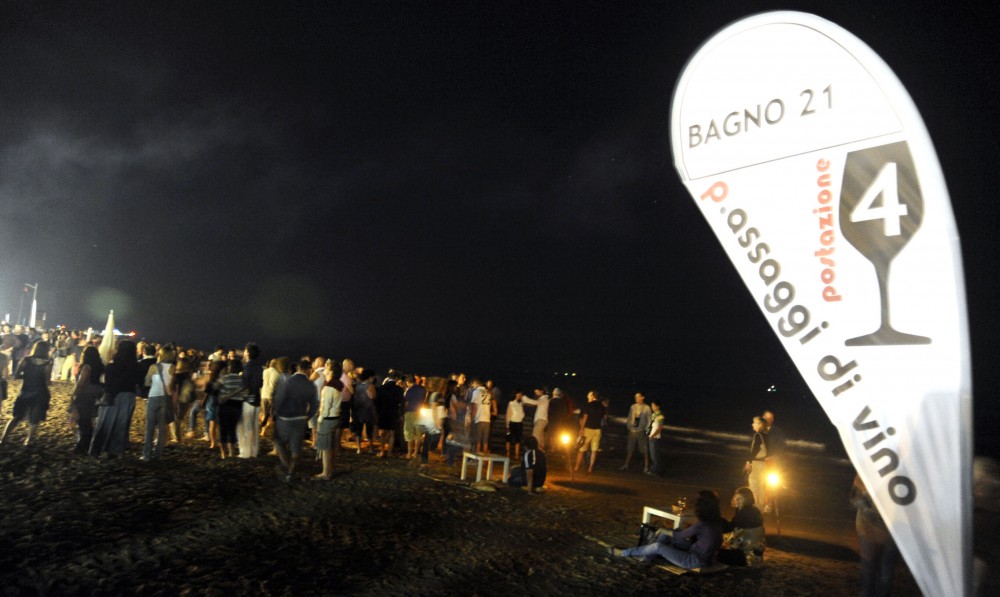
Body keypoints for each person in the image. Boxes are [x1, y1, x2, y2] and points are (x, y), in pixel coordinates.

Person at [610, 489, 724, 569]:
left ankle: (625, 553)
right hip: (698, 553)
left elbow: (679, 536)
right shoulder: (715, 520)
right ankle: (646, 557)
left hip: (696, 560)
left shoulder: (703, 524)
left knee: (658, 546)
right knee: (666, 535)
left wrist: (663, 530)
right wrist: (667, 531)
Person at [90, 340, 142, 457]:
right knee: (122, 424)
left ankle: (100, 448)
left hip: (113, 396)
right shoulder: (136, 366)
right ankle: (117, 450)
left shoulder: (114, 364)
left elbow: (107, 380)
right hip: (129, 397)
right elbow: (139, 381)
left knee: (106, 422)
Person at [851, 475, 899, 597]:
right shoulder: (867, 470)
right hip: (868, 526)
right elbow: (854, 499)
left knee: (885, 571)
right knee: (869, 568)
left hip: (892, 529)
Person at [272, 359, 319, 482]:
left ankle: (287, 468)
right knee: (296, 447)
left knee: (279, 443)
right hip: (300, 418)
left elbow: (279, 398)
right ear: (309, 370)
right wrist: (307, 416)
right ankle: (291, 471)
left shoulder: (288, 382)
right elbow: (314, 405)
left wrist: (276, 411)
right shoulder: (310, 385)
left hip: (285, 417)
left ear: (298, 368)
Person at [0, 340, 52, 446]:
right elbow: (47, 381)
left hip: (25, 391)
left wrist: (26, 376)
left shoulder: (26, 360)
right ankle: (28, 440)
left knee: (17, 416)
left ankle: (4, 438)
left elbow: (15, 376)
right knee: (34, 419)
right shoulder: (47, 363)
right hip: (40, 392)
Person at [141, 345, 176, 462]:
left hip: (154, 396)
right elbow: (171, 385)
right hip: (165, 398)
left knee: (150, 426)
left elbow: (146, 382)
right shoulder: (173, 368)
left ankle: (146, 454)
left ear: (160, 354)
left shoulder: (154, 367)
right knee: (162, 428)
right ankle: (158, 455)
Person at [716, 486, 766, 566]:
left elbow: (728, 527)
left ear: (747, 499)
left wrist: (715, 517)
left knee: (715, 554)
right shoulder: (753, 510)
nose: (737, 501)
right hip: (756, 556)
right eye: (736, 498)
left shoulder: (746, 513)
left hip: (747, 558)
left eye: (740, 498)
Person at [314, 361, 344, 480]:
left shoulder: (329, 387)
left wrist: (320, 420)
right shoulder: (338, 385)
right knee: (330, 446)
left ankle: (326, 473)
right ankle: (330, 469)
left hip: (327, 418)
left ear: (331, 372)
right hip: (335, 417)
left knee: (325, 447)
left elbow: (325, 408)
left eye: (326, 367)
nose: (324, 369)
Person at [238, 343, 264, 458]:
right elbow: (261, 383)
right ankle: (254, 451)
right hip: (256, 399)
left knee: (246, 427)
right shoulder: (259, 367)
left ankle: (245, 452)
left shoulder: (247, 367)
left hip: (247, 400)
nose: (243, 353)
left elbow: (244, 385)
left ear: (248, 353)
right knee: (254, 427)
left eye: (244, 351)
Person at [762, 409, 786, 513]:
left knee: (770, 483)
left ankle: (769, 503)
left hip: (772, 462)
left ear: (772, 419)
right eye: (765, 417)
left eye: (769, 418)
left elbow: (781, 447)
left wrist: (772, 457)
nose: (767, 420)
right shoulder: (758, 430)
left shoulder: (777, 431)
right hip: (759, 461)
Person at [375, 371, 404, 458]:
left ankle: (382, 451)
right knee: (392, 433)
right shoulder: (399, 389)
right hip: (393, 412)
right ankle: (389, 452)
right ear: (396, 379)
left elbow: (377, 401)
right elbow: (401, 402)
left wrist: (378, 412)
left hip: (383, 412)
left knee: (383, 433)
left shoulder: (382, 388)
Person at [621, 392, 652, 472]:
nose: (636, 398)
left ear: (642, 397)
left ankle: (646, 466)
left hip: (641, 431)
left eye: (638, 397)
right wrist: (629, 426)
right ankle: (626, 464)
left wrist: (646, 429)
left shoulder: (647, 407)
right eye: (636, 397)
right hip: (632, 431)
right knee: (630, 448)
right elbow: (629, 417)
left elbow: (649, 420)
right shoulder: (633, 406)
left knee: (644, 449)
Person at [575, 390, 606, 473]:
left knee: (582, 449)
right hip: (597, 430)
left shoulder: (589, 405)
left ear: (593, 396)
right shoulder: (602, 407)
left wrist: (581, 429)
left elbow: (585, 417)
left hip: (588, 429)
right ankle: (590, 468)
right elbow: (602, 418)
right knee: (594, 450)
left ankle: (577, 467)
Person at [744, 416, 769, 505]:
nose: (752, 424)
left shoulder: (757, 435)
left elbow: (754, 450)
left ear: (760, 424)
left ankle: (754, 508)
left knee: (754, 487)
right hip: (764, 464)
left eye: (754, 422)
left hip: (756, 464)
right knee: (761, 488)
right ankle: (760, 509)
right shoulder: (766, 436)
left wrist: (748, 462)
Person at [402, 375, 426, 460]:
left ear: (408, 382)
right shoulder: (422, 389)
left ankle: (409, 453)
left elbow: (406, 401)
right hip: (419, 412)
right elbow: (423, 399)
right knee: (419, 433)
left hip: (410, 412)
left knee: (409, 433)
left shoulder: (409, 390)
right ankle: (416, 453)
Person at [469, 379, 492, 454]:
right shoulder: (488, 392)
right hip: (487, 419)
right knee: (485, 441)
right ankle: (485, 459)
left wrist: (472, 419)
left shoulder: (476, 392)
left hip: (479, 418)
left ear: (476, 383)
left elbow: (474, 407)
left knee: (478, 440)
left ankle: (477, 458)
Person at [647, 398, 667, 476]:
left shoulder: (660, 416)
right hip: (652, 438)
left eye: (653, 406)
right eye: (651, 406)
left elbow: (660, 428)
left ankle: (656, 471)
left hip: (655, 438)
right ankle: (656, 470)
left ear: (658, 406)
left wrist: (652, 436)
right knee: (653, 456)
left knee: (655, 456)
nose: (652, 407)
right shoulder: (654, 415)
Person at [505, 389, 526, 459]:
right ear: (516, 395)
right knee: (509, 438)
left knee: (518, 439)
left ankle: (516, 454)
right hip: (512, 423)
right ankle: (507, 453)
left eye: (521, 395)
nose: (520, 396)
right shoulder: (511, 403)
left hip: (519, 423)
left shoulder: (521, 404)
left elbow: (522, 413)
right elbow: (508, 415)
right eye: (519, 394)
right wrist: (507, 425)